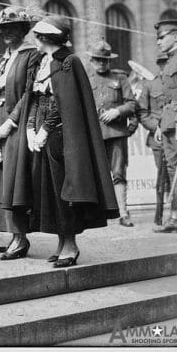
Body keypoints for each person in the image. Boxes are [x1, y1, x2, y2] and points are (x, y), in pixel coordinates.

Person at [7, 15, 119, 267]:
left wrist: (45, 128)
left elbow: (63, 101)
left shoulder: (69, 61)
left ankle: (70, 244)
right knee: (48, 191)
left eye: (37, 35)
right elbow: (33, 97)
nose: (34, 39)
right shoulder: (41, 62)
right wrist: (29, 127)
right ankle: (61, 243)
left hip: (61, 136)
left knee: (64, 191)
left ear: (47, 37)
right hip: (40, 133)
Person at [0, 7, 41, 259]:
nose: (6, 32)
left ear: (23, 30)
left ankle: (20, 238)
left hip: (14, 126)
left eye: (12, 27)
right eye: (3, 28)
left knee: (14, 184)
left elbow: (29, 93)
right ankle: (10, 236)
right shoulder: (2, 59)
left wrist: (10, 123)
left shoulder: (31, 56)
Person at [86, 41, 137, 227]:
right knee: (95, 174)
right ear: (91, 60)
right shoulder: (86, 79)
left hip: (116, 133)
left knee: (118, 173)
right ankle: (97, 213)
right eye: (98, 60)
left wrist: (117, 112)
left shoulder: (120, 78)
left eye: (105, 60)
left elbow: (132, 104)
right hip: (94, 135)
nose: (102, 63)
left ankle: (123, 213)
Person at [128, 59, 167, 226]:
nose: (167, 66)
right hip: (158, 140)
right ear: (159, 64)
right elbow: (143, 113)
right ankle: (160, 217)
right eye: (163, 63)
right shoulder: (151, 85)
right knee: (162, 179)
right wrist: (156, 128)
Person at [153, 19, 177, 234]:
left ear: (175, 36)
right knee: (173, 169)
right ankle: (176, 216)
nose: (158, 42)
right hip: (168, 122)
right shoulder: (171, 60)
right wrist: (160, 124)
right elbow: (167, 98)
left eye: (162, 37)